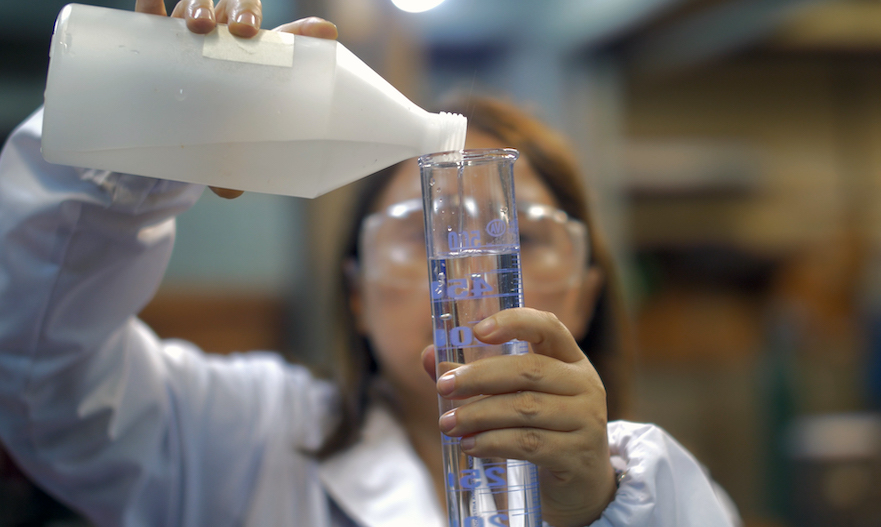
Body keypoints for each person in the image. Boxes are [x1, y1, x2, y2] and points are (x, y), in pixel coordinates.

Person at [0, 1, 738, 525]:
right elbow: (34, 362)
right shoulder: (237, 437)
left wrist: (598, 511)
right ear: (355, 291)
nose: (474, 272)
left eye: (527, 236)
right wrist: (152, 124)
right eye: (421, 230)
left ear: (585, 291)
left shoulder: (656, 491)